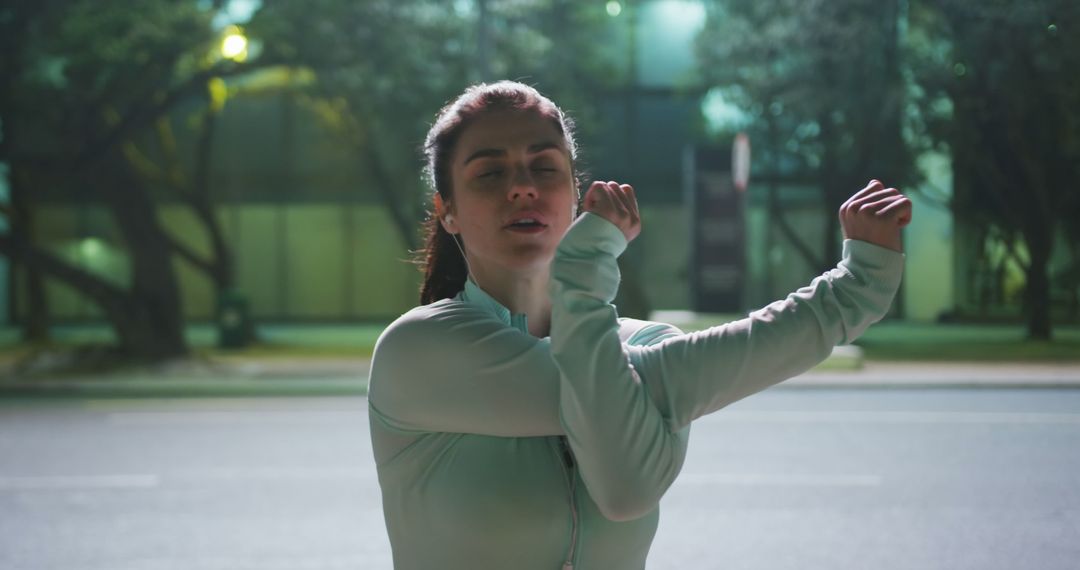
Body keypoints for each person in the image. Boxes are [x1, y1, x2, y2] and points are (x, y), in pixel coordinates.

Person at [367, 80, 911, 570]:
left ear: (574, 192)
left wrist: (856, 291)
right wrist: (852, 294)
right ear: (448, 210)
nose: (522, 187)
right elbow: (623, 397)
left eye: (544, 165)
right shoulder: (418, 350)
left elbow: (625, 489)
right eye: (490, 172)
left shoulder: (647, 344)